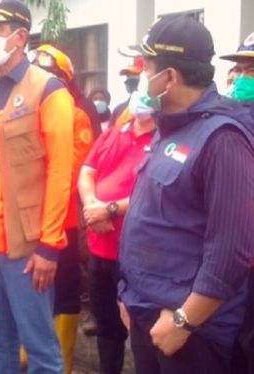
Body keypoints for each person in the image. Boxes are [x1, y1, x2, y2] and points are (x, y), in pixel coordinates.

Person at [118, 15, 254, 374]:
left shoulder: (222, 139)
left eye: (147, 67)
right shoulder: (171, 125)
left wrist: (184, 321)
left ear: (170, 77)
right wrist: (127, 292)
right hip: (148, 310)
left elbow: (231, 249)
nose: (142, 76)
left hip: (190, 330)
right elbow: (150, 217)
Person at [0, 1, 75, 372]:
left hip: (25, 246)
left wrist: (49, 247)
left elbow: (60, 173)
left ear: (20, 37)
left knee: (40, 349)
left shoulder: (49, 90)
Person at [29, 44, 97, 374]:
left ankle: (63, 365)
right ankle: (30, 354)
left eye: (48, 76)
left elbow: (70, 171)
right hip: (25, 221)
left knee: (65, 293)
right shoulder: (23, 109)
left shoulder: (77, 115)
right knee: (30, 289)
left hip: (62, 222)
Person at [78, 90, 156, 374]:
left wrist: (109, 210)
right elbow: (87, 170)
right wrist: (91, 206)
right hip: (100, 250)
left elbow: (156, 190)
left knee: (141, 332)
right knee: (107, 327)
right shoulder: (112, 134)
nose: (142, 96)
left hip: (137, 257)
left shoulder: (165, 139)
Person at [220, 31, 254, 374]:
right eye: (241, 71)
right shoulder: (231, 121)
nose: (243, 79)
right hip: (235, 259)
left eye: (252, 72)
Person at [109, 57, 143, 127]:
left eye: (135, 75)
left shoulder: (157, 111)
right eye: (128, 76)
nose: (130, 80)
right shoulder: (118, 110)